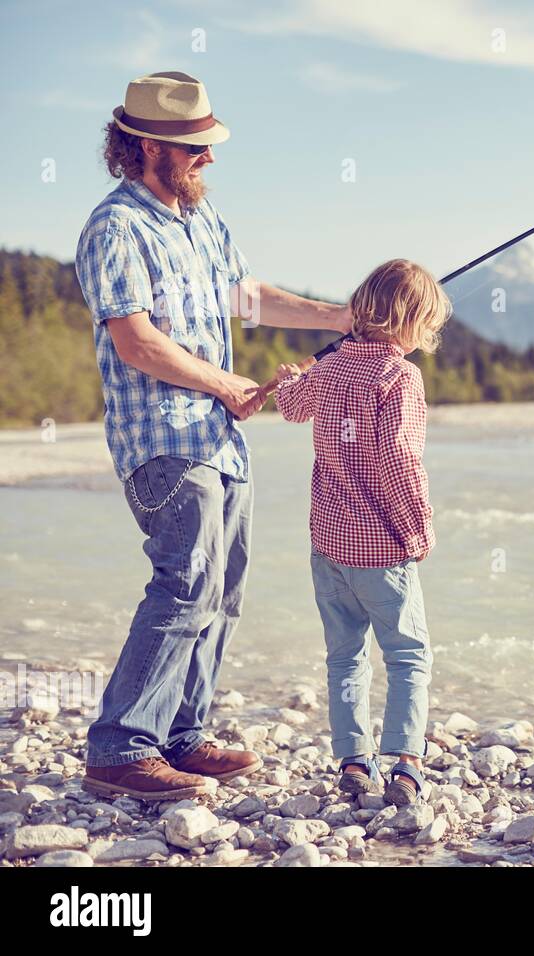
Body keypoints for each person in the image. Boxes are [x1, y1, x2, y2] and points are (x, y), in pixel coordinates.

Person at [75, 71, 353, 800]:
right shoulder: (115, 227)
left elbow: (249, 297)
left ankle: (181, 734)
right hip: (161, 439)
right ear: (143, 145)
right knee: (185, 582)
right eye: (193, 146)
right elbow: (134, 341)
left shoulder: (203, 221)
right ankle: (119, 747)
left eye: (207, 144)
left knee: (222, 591)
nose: (208, 157)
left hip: (220, 441)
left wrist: (342, 317)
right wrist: (225, 384)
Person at [274, 259, 450, 805]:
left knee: (344, 654)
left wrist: (290, 381)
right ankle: (405, 765)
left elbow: (291, 408)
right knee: (407, 654)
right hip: (380, 548)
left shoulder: (327, 371)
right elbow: (398, 457)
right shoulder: (400, 377)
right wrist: (417, 529)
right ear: (413, 322)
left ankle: (353, 760)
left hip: (328, 545)